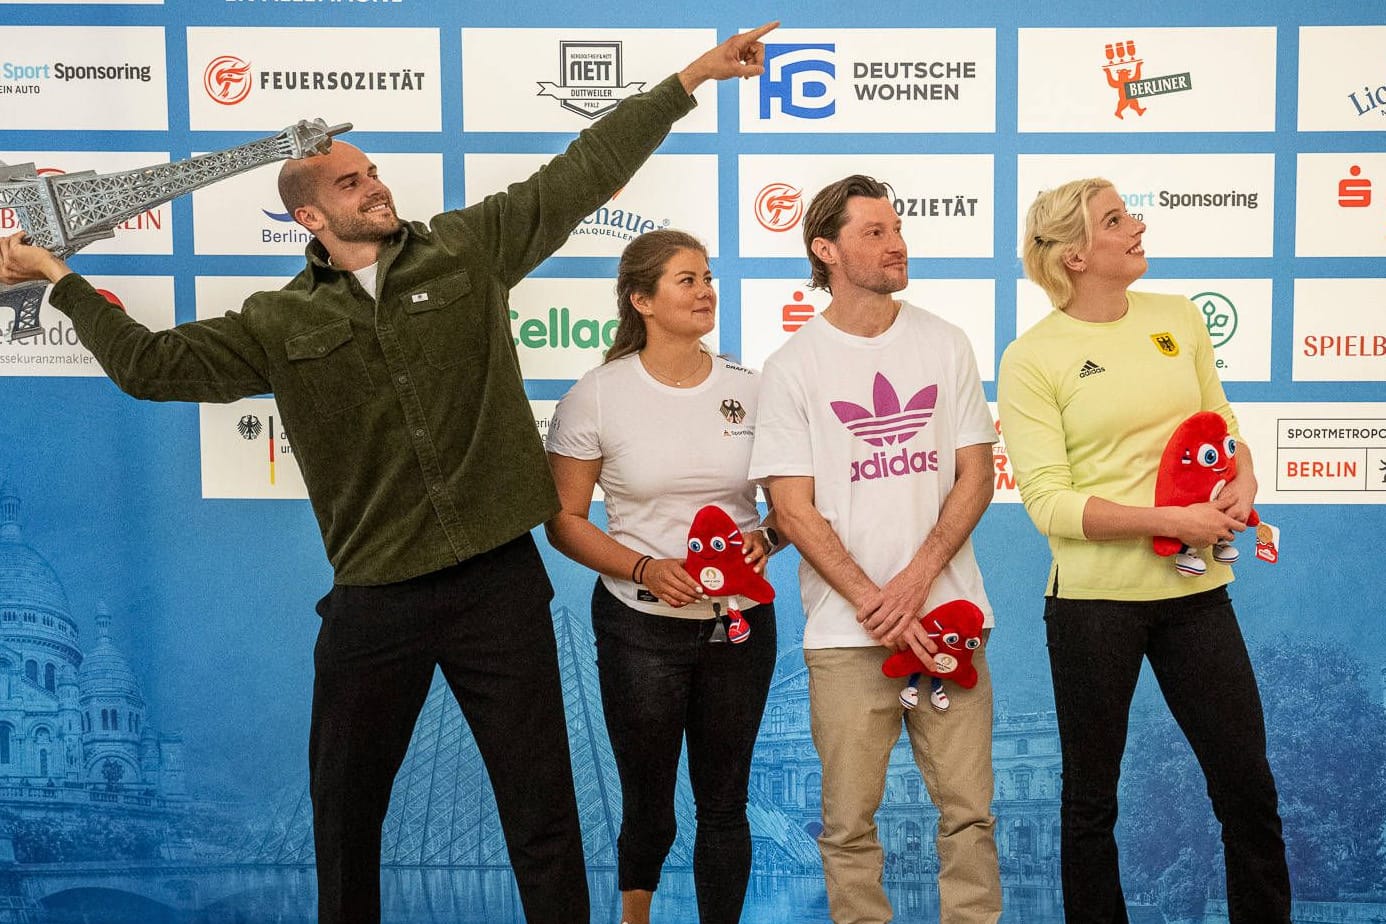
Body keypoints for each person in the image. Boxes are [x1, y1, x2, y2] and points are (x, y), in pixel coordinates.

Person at [0, 23, 778, 924]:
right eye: (350, 181)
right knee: (342, 822)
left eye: (372, 173)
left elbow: (584, 170)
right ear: (310, 216)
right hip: (375, 596)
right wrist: (56, 278)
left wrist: (694, 76)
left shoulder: (466, 248)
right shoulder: (274, 320)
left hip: (498, 586)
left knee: (543, 817)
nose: (375, 186)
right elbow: (149, 367)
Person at [996, 177, 1291, 923]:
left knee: (1248, 788)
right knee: (1091, 803)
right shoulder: (1033, 358)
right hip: (1093, 605)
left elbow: (1222, 424)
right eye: (1116, 219)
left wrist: (1245, 476)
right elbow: (1049, 505)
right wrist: (1170, 519)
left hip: (1195, 597)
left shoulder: (1179, 318)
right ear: (1072, 256)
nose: (1138, 225)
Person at [747, 175, 1002, 924]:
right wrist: (874, 604)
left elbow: (977, 475)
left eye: (898, 229)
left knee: (970, 817)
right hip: (844, 637)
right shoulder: (792, 367)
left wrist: (913, 585)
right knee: (849, 827)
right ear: (825, 250)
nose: (897, 244)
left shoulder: (944, 342)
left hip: (952, 621)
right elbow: (791, 509)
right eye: (875, 233)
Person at [544, 229, 778, 924]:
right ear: (641, 300)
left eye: (707, 276)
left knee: (725, 802)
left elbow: (795, 503)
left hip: (739, 626)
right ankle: (634, 917)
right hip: (637, 629)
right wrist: (646, 566)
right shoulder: (597, 395)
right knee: (648, 801)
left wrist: (770, 533)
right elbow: (565, 521)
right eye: (687, 280)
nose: (706, 290)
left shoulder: (753, 389)